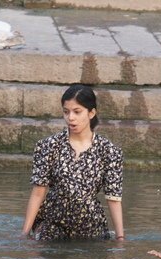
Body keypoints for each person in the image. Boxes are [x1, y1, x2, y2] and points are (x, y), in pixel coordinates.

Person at [21, 85, 125, 241]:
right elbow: (38, 192)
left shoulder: (109, 151)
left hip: (91, 224)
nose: (70, 118)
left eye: (77, 112)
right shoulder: (49, 145)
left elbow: (113, 198)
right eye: (66, 112)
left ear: (91, 113)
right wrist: (25, 233)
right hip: (53, 223)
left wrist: (121, 238)